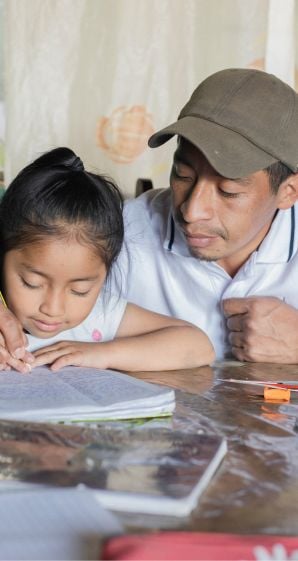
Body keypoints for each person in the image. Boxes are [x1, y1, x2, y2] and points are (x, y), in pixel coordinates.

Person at [115, 68, 298, 363]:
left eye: (228, 191)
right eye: (183, 175)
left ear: (289, 192)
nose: (191, 210)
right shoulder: (122, 234)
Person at [0, 147, 214, 373]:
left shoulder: (100, 316)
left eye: (80, 290)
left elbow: (200, 347)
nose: (53, 308)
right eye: (32, 283)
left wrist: (100, 353)